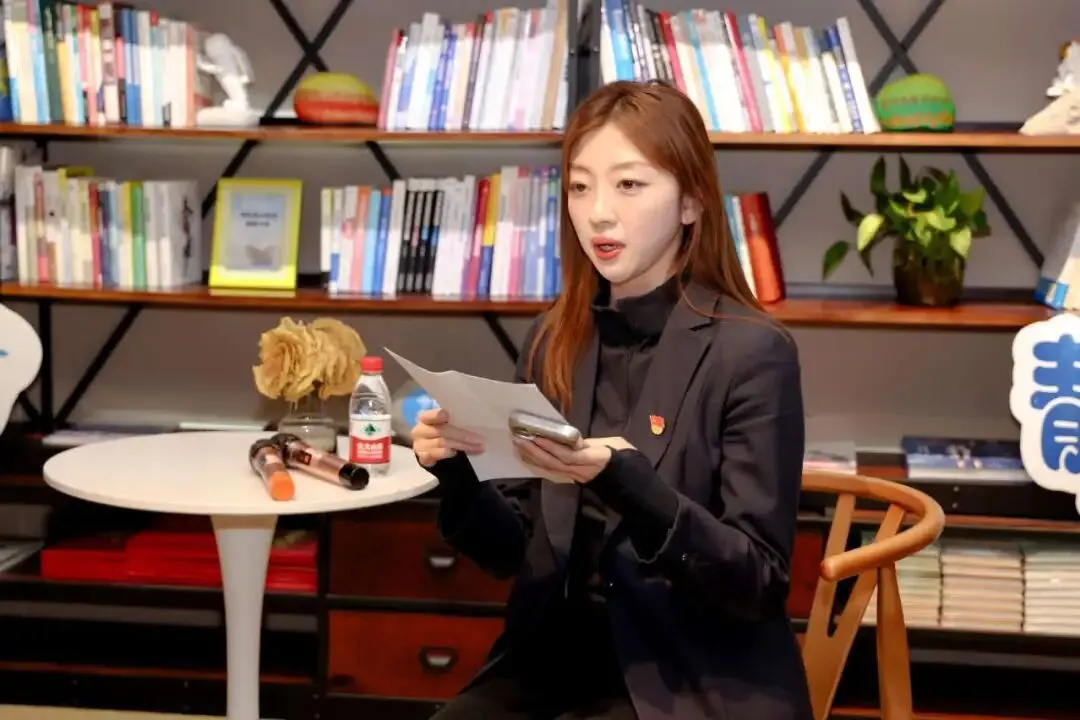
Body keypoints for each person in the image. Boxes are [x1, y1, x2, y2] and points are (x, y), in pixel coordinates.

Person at [410, 80, 812, 720]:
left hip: (689, 675)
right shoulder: (554, 338)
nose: (598, 212)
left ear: (690, 201)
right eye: (580, 187)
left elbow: (758, 581)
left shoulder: (752, 352)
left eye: (629, 184)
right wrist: (457, 471)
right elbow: (511, 552)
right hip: (549, 661)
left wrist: (628, 483)